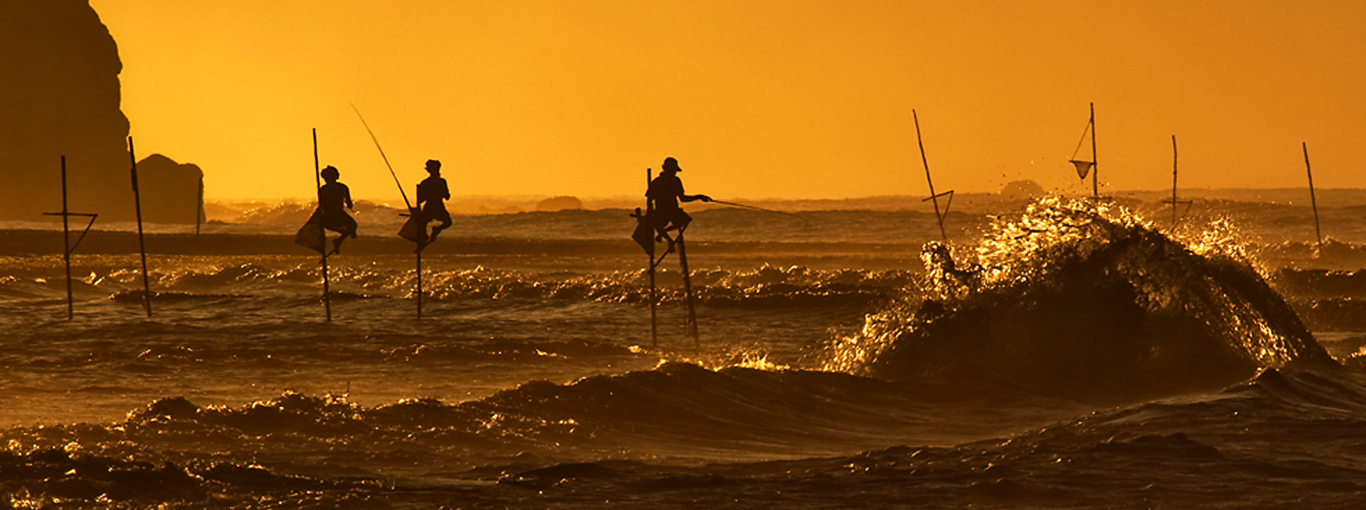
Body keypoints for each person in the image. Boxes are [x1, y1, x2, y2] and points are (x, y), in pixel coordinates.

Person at [647, 157, 710, 251]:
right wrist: (650, 211)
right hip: (662, 211)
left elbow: (682, 198)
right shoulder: (658, 182)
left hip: (672, 210)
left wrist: (699, 197)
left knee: (685, 221)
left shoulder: (675, 181)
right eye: (673, 170)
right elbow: (650, 199)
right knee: (658, 224)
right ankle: (668, 239)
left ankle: (662, 234)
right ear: (667, 169)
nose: (674, 173)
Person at [317, 165, 357, 255]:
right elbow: (349, 203)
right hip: (333, 216)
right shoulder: (341, 188)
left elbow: (321, 205)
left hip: (330, 217)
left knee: (352, 228)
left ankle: (338, 241)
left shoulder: (324, 189)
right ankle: (338, 241)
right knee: (352, 228)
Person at [415, 159, 452, 243]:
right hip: (438, 206)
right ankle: (434, 231)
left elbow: (420, 200)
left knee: (423, 223)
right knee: (447, 222)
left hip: (429, 207)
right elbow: (447, 197)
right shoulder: (441, 182)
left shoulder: (425, 183)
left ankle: (424, 237)